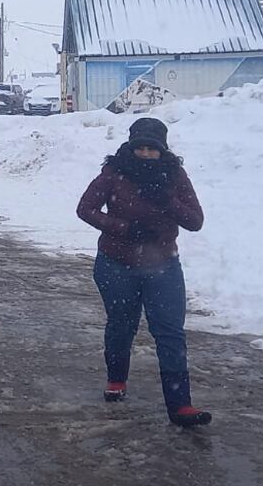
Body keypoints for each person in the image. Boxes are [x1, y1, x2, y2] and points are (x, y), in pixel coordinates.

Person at [76, 118, 210, 427]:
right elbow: (85, 209)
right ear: (132, 146)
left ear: (163, 149)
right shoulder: (114, 172)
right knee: (122, 324)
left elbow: (195, 220)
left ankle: (180, 405)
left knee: (170, 332)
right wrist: (125, 228)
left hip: (163, 265)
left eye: (153, 149)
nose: (147, 154)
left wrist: (167, 200)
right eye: (141, 148)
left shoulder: (174, 175)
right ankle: (116, 378)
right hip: (116, 263)